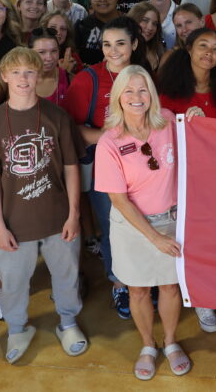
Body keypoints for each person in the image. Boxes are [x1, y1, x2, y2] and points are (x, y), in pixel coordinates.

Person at [0, 48, 88, 365]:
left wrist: (74, 214)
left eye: (30, 72)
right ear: (5, 76)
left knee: (66, 274)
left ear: (40, 76)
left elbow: (71, 168)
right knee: (12, 282)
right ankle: (18, 328)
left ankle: (67, 322)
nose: (24, 79)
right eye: (17, 72)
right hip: (13, 223)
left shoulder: (56, 117)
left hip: (57, 218)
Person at [95, 66, 192, 379]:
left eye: (143, 90)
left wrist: (195, 117)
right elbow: (119, 200)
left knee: (169, 286)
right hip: (132, 227)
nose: (137, 98)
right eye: (129, 91)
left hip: (171, 220)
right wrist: (154, 237)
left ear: (151, 93)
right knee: (137, 290)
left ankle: (171, 340)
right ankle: (149, 344)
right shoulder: (109, 142)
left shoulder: (168, 122)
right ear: (118, 98)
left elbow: (197, 145)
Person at [66, 17, 147, 321]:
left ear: (134, 45)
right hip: (108, 168)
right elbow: (70, 126)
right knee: (114, 226)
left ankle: (144, 279)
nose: (113, 51)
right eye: (107, 44)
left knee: (144, 221)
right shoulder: (89, 79)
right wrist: (109, 140)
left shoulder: (142, 77)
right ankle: (120, 283)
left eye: (121, 43)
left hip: (143, 168)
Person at [29, 28, 71, 108]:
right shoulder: (20, 79)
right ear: (30, 53)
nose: (49, 58)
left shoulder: (70, 80)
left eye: (54, 51)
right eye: (42, 52)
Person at [128, 2, 166, 72]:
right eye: (145, 20)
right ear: (133, 20)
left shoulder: (159, 50)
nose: (150, 28)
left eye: (154, 24)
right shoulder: (122, 51)